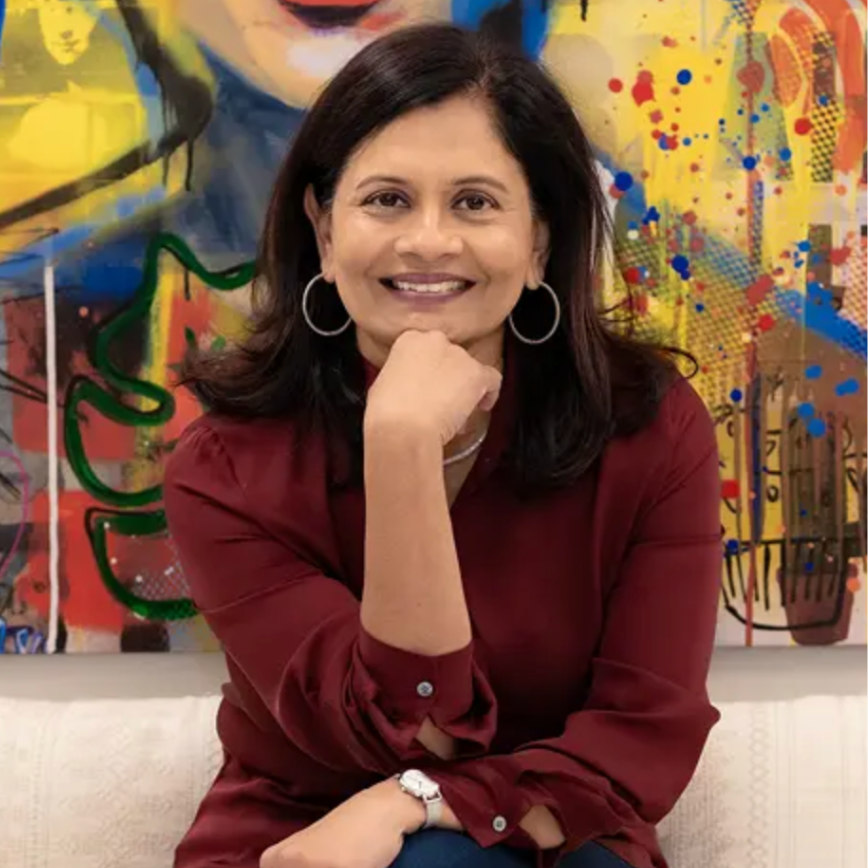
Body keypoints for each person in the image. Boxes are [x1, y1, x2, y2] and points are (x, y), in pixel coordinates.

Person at [163, 22, 722, 868]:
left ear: (538, 240)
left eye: (475, 202)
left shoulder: (651, 428)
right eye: (387, 198)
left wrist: (416, 804)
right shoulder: (225, 468)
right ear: (323, 230)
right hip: (311, 848)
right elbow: (408, 727)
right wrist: (401, 448)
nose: (429, 240)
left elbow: (641, 741)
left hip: (557, 839)